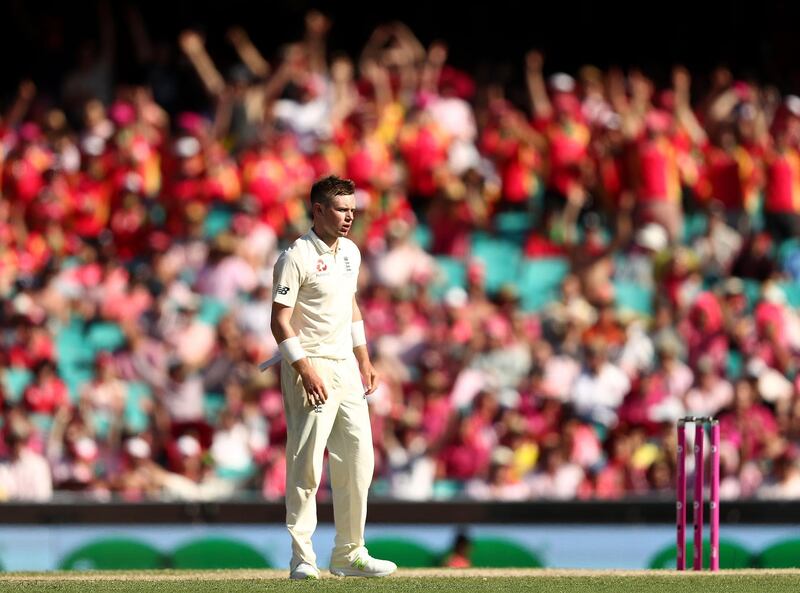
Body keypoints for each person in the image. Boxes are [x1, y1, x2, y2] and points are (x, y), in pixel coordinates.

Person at [270, 175, 397, 579]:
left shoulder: (351, 254)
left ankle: (349, 553)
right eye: (342, 210)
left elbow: (351, 307)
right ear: (319, 210)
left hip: (345, 366)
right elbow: (278, 322)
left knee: (359, 459)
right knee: (307, 463)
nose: (349, 218)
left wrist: (364, 359)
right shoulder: (296, 256)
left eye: (353, 211)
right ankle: (302, 559)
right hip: (311, 365)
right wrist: (304, 369)